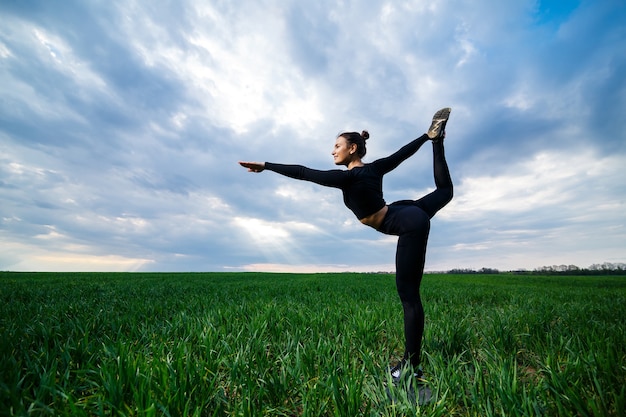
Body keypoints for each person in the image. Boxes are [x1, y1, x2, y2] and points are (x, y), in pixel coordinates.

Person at [239, 108, 453, 383]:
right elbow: (403, 154)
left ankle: (412, 366)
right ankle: (439, 142)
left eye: (337, 146)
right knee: (445, 192)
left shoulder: (347, 178)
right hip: (405, 211)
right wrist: (427, 137)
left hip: (407, 221)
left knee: (409, 297)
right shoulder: (374, 168)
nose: (333, 152)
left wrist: (267, 165)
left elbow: (303, 172)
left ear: (353, 149)